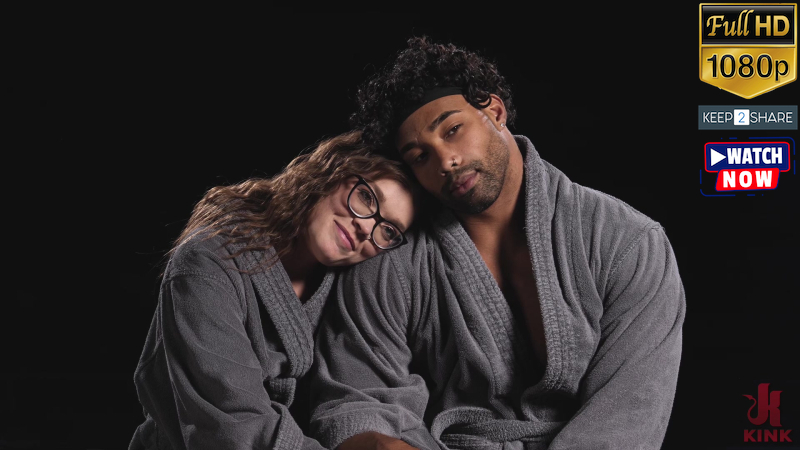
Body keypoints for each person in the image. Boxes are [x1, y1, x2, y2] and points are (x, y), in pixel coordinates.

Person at [308, 37, 686, 450]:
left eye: (453, 130)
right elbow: (356, 399)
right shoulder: (394, 259)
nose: (446, 161)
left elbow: (627, 416)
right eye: (420, 156)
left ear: (495, 111)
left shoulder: (628, 243)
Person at [128, 130, 418, 450]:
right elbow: (234, 426)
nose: (366, 226)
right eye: (367, 197)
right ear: (333, 172)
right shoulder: (206, 263)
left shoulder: (349, 286)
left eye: (388, 230)